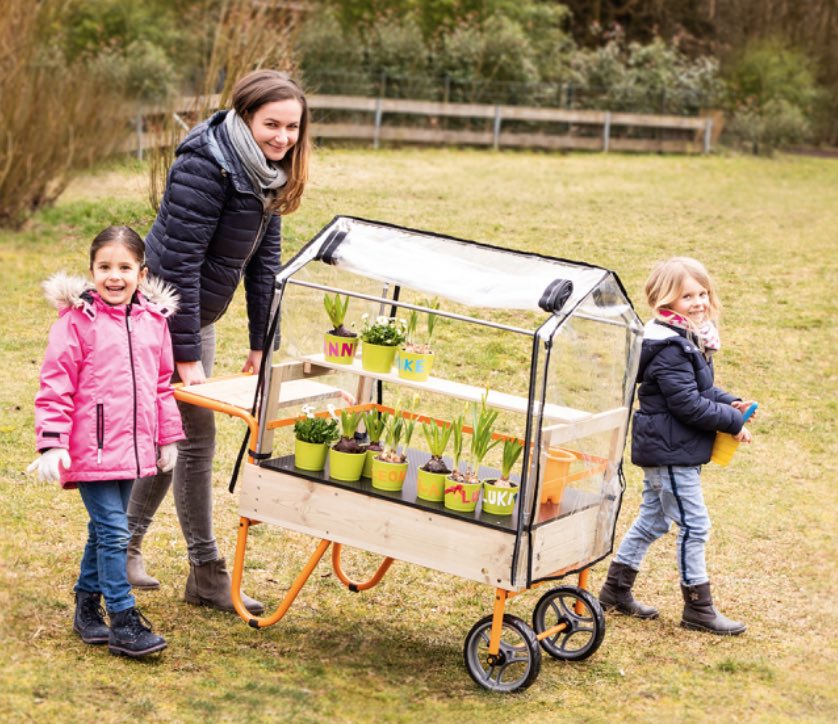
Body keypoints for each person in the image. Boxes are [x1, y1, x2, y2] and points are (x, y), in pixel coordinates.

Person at [125, 70, 311, 615]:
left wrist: (260, 342)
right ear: (245, 116)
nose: (281, 137)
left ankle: (125, 548)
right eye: (271, 124)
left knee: (179, 434)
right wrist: (185, 355)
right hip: (159, 314)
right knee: (193, 436)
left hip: (194, 315)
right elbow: (176, 263)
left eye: (292, 127)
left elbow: (264, 263)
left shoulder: (267, 173)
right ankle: (205, 573)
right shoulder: (204, 164)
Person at [28, 226, 184, 658]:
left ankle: (85, 606)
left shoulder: (154, 323)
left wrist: (167, 435)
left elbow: (161, 384)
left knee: (104, 531)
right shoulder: (77, 324)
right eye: (104, 267)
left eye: (124, 267)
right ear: (92, 271)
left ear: (141, 271)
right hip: (89, 450)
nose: (114, 277)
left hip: (132, 449)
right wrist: (53, 443)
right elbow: (55, 386)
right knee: (117, 531)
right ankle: (124, 618)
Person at [598, 257, 756, 635]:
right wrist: (731, 422)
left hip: (671, 448)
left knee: (653, 519)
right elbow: (687, 405)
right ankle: (698, 609)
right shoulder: (670, 346)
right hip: (670, 452)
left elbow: (699, 391)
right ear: (664, 301)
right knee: (695, 525)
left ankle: (615, 590)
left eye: (702, 293)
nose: (699, 301)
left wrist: (730, 402)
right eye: (688, 296)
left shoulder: (686, 338)